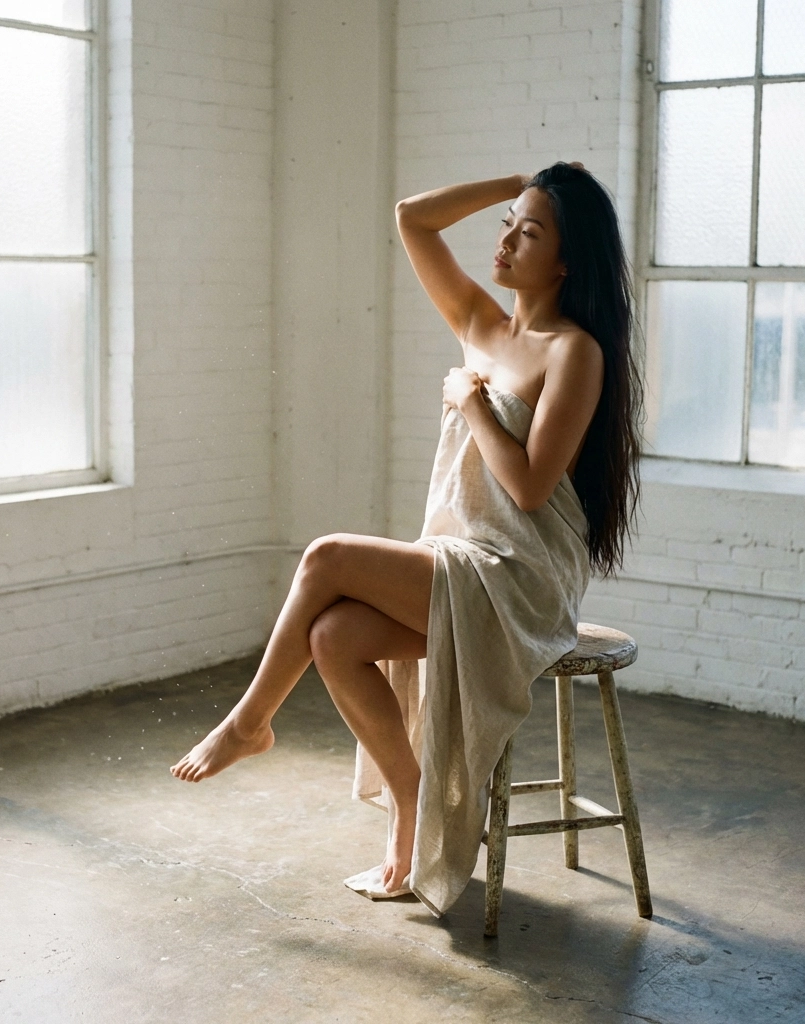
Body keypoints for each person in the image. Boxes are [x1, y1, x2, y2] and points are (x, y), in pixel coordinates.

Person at [171, 161, 643, 917]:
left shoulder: (573, 352)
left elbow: (526, 486)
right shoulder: (480, 322)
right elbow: (410, 218)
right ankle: (411, 802)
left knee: (325, 557)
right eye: (506, 227)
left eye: (531, 232)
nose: (507, 242)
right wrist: (515, 186)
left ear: (565, 260)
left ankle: (249, 723)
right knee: (334, 634)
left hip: (519, 575)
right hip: (460, 557)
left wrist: (471, 401)